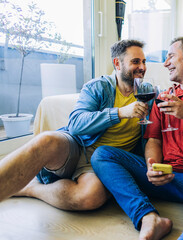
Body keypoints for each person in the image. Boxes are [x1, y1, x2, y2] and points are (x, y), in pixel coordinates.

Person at [91, 37, 183, 240]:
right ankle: (147, 216)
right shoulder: (163, 98)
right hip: (165, 175)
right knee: (103, 154)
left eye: (170, 56)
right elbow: (154, 140)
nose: (165, 63)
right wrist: (153, 166)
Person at [0, 39, 149, 211]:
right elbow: (76, 124)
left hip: (105, 162)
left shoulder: (148, 92)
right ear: (117, 63)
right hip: (80, 147)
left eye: (144, 61)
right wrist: (120, 112)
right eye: (135, 61)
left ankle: (31, 189)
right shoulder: (98, 87)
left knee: (90, 196)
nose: (142, 67)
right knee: (46, 140)